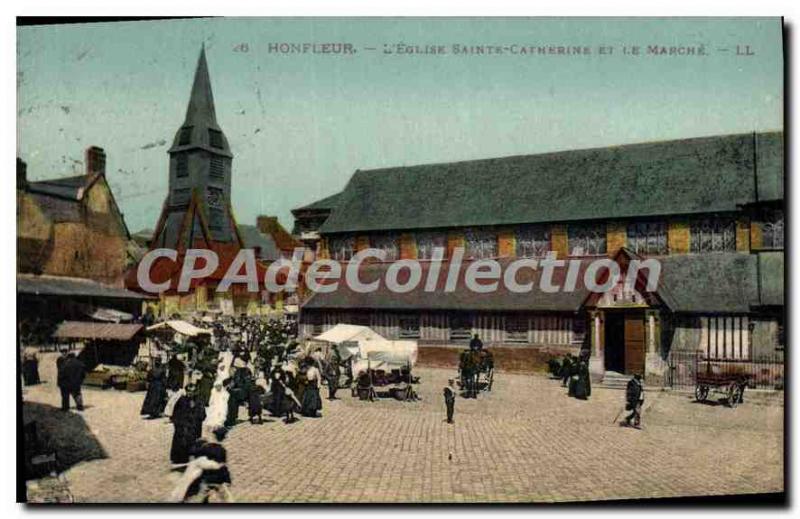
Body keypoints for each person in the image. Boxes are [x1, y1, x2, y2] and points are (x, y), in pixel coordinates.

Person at [170, 383, 207, 465]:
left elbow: (203, 415)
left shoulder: (199, 401)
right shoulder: (181, 400)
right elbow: (175, 413)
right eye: (188, 391)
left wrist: (196, 418)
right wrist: (178, 423)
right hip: (183, 426)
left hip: (194, 426)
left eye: (192, 391)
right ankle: (179, 458)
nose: (190, 393)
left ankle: (192, 456)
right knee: (181, 442)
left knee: (193, 442)